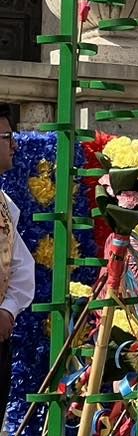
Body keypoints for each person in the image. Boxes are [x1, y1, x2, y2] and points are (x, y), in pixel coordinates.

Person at [0, 104, 37, 408]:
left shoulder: (5, 205)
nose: (14, 145)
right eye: (7, 136)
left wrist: (8, 309)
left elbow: (22, 265)